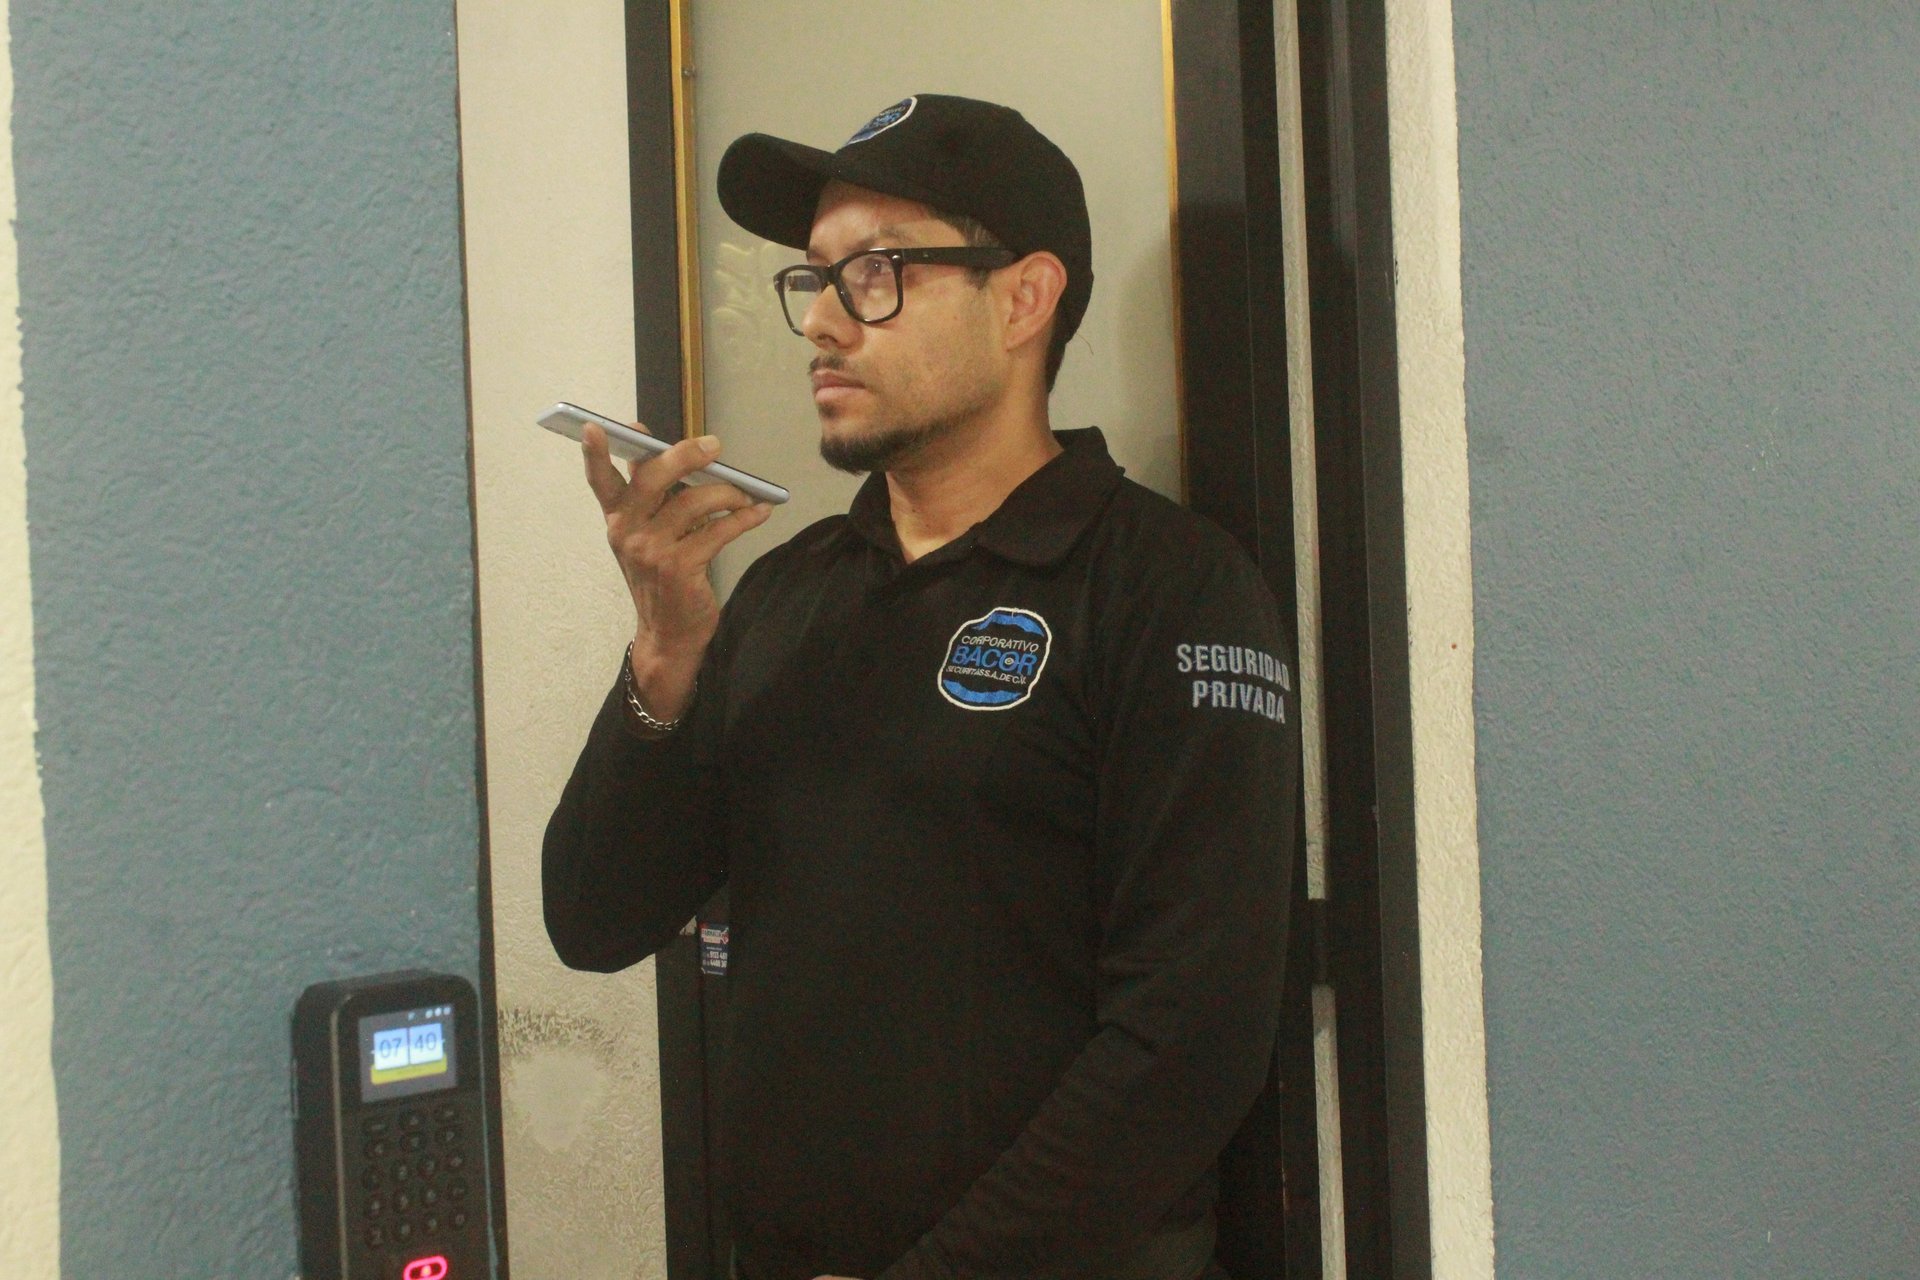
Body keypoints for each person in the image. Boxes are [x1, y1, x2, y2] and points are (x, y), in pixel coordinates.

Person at [543, 94, 1299, 1280]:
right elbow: (594, 917)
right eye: (817, 280)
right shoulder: (790, 592)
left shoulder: (1169, 589)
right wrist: (664, 656)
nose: (824, 326)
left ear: (1024, 299)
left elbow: (1190, 1037)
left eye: (879, 272)